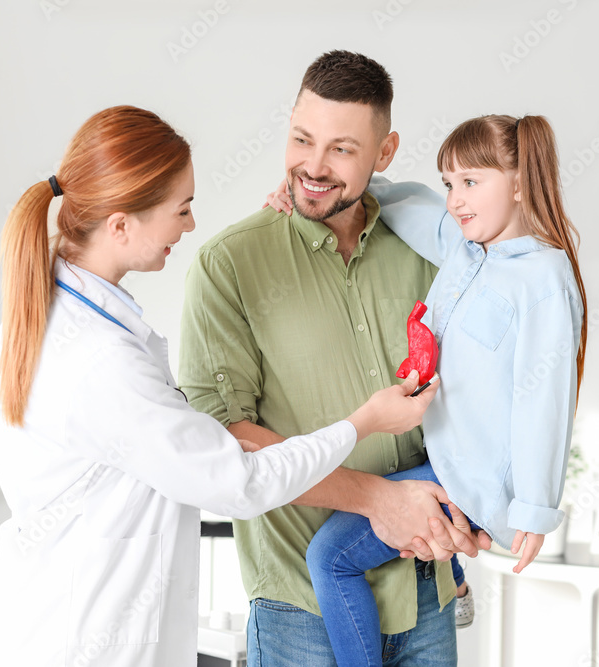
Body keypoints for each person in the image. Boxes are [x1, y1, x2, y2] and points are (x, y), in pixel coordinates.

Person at [0, 105, 438, 667]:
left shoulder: (57, 321)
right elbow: (236, 482)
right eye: (182, 208)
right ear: (121, 225)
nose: (190, 225)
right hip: (82, 643)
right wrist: (363, 422)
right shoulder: (98, 360)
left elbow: (184, 451)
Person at [180, 51, 489, 667]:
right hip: (301, 612)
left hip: (424, 593)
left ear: (385, 152)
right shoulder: (231, 266)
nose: (313, 167)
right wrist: (376, 499)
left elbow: (482, 396)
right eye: (301, 139)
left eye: (342, 150)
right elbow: (227, 441)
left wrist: (468, 512)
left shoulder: (433, 251)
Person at [266, 113, 588, 666]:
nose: (455, 199)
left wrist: (536, 509)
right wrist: (312, 190)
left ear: (517, 182)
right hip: (442, 456)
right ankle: (455, 579)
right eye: (449, 182)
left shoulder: (544, 278)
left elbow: (545, 401)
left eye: (471, 182)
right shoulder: (464, 249)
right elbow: (403, 203)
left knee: (329, 558)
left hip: (474, 477)